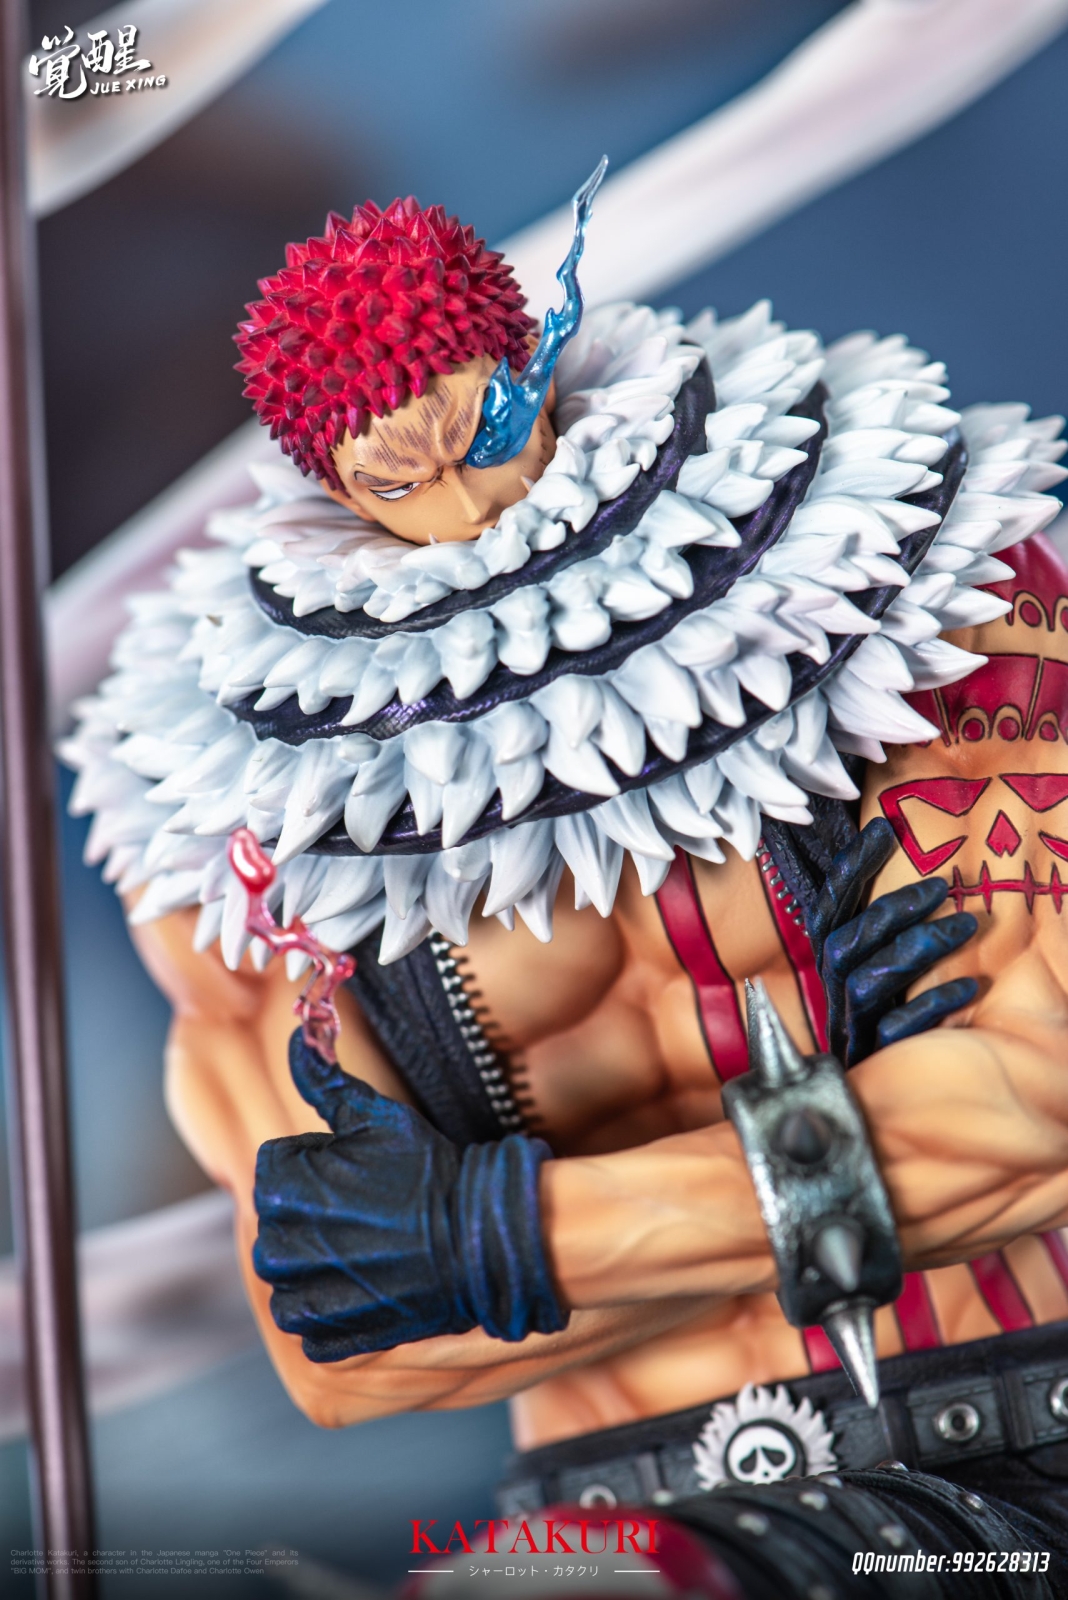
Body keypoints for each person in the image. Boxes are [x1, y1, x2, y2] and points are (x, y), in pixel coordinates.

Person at [63, 190, 1068, 1597]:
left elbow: (1035, 1115)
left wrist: (496, 1236)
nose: (468, 508)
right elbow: (343, 1347)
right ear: (330, 483)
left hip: (1013, 1462)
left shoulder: (916, 565)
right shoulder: (225, 804)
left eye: (483, 434)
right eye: (398, 483)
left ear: (529, 362)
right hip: (599, 1524)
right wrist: (872, 1151)